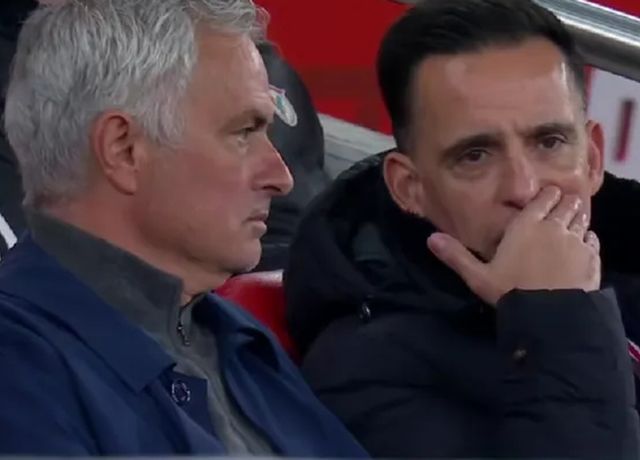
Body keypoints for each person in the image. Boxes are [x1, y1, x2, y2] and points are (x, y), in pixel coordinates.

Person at [0, 0, 367, 456]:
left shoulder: (237, 340)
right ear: (124, 150)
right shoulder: (19, 367)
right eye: (244, 132)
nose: (281, 177)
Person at [285, 0, 640, 458]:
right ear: (409, 187)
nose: (524, 188)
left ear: (591, 160)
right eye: (475, 156)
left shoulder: (624, 266)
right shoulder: (364, 371)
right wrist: (557, 316)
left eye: (549, 142)